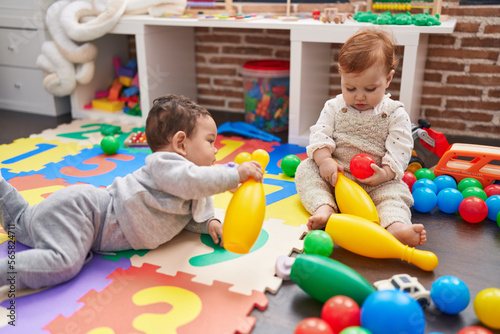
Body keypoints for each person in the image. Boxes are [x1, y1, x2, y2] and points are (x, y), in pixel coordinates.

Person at [0, 94, 264, 290]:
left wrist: (210, 222)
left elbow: (192, 206)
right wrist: (234, 174)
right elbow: (193, 181)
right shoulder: (166, 165)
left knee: (21, 224)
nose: (216, 149)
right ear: (181, 143)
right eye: (210, 141)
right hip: (87, 212)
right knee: (64, 263)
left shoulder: (191, 184)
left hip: (88, 221)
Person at [295, 27, 426, 247]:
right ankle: (325, 207)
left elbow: (400, 149)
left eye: (370, 88)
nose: (359, 96)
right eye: (350, 87)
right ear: (341, 77)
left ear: (388, 79)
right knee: (305, 170)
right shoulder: (334, 107)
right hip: (336, 177)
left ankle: (396, 227)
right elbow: (320, 134)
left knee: (395, 195)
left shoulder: (395, 113)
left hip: (377, 181)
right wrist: (325, 160)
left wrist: (385, 173)